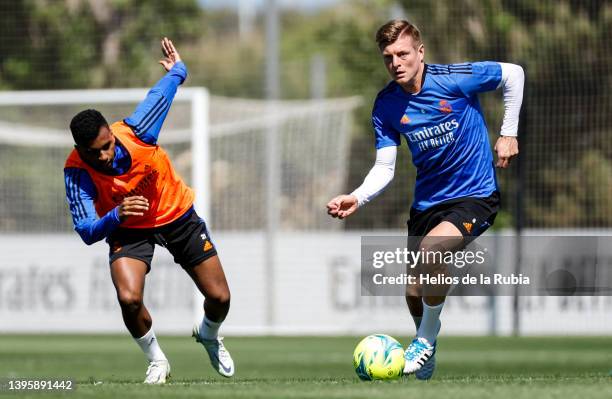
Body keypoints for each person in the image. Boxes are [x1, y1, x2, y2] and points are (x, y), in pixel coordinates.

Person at [327, 20, 523, 379]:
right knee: (413, 290)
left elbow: (513, 74)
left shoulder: (455, 78)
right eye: (388, 57)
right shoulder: (386, 105)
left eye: (403, 53)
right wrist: (358, 197)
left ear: (420, 52)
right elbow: (385, 166)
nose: (396, 63)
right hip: (426, 204)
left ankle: (426, 340)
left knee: (434, 250)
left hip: (475, 195)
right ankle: (425, 340)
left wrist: (508, 133)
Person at [64, 38, 234, 384]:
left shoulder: (139, 130)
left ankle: (208, 334)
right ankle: (157, 360)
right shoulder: (76, 171)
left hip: (176, 214)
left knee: (219, 297)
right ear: (80, 149)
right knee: (128, 298)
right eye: (93, 153)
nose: (104, 157)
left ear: (111, 134)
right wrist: (117, 215)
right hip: (128, 227)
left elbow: (166, 89)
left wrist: (179, 69)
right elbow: (85, 231)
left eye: (106, 146)